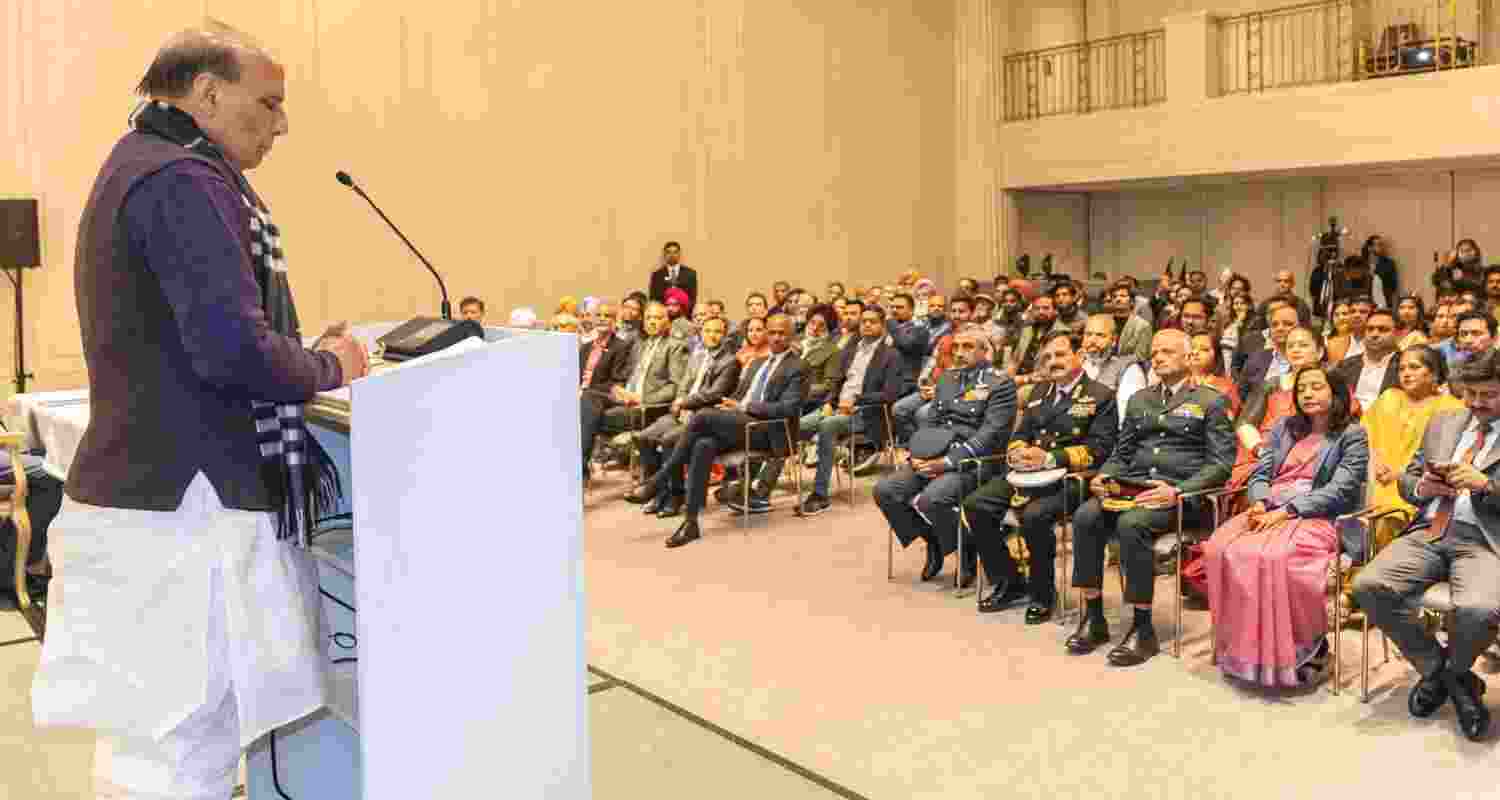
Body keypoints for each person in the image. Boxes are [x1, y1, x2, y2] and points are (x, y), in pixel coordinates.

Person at [30, 24, 373, 800]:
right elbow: (231, 353)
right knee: (188, 736)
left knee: (151, 738)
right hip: (185, 505)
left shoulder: (144, 163)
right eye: (270, 104)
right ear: (210, 93)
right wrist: (331, 364)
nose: (281, 124)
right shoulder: (184, 179)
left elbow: (210, 336)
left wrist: (289, 346)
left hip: (153, 497)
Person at [1353, 349, 1500, 743]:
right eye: (1470, 394)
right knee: (1369, 585)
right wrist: (1421, 486)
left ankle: (1446, 678)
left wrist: (1486, 485)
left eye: (1488, 395)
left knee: (1481, 608)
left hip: (1485, 540)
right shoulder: (1445, 421)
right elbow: (1410, 478)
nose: (1476, 404)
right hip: (1432, 528)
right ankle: (1450, 677)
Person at [1066, 330, 1235, 667]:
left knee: (1132, 524)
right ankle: (1094, 616)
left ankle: (1143, 628)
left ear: (1188, 359)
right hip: (1133, 488)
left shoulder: (1210, 400)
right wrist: (1105, 475)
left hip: (1181, 497)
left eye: (1167, 352)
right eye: (1155, 352)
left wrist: (1178, 491)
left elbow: (1221, 464)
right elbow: (1122, 451)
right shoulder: (1140, 399)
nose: (1157, 358)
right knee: (1086, 516)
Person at [1203, 367, 1368, 687]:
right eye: (1302, 388)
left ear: (1336, 393)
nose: (1307, 394)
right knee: (1220, 548)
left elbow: (1342, 489)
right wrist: (1260, 502)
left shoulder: (1353, 434)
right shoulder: (1283, 428)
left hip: (1321, 515)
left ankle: (1307, 652)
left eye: (1316, 387)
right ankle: (1246, 654)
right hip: (1270, 509)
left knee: (1275, 557)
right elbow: (1261, 473)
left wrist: (1288, 511)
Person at [961, 331, 1116, 621]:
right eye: (1047, 357)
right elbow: (1019, 435)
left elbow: (1101, 449)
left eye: (1060, 355)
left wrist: (1049, 458)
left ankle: (1043, 593)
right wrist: (1018, 453)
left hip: (1071, 478)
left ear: (1078, 357)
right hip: (1026, 475)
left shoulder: (1100, 395)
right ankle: (1010, 580)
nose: (1053, 361)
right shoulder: (1038, 392)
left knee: (1035, 516)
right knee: (976, 504)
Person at [624, 314, 805, 548]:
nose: (777, 337)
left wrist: (743, 407)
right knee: (703, 444)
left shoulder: (799, 367)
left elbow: (788, 408)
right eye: (773, 332)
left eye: (782, 333)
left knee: (703, 415)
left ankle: (657, 481)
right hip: (740, 423)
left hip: (769, 430)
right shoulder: (758, 364)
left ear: (791, 335)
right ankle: (691, 522)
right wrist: (730, 406)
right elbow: (739, 395)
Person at [875, 328, 1017, 586]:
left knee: (934, 499)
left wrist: (947, 462)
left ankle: (965, 551)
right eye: (957, 347)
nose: (960, 353)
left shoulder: (1000, 383)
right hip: (935, 454)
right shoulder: (947, 379)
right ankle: (934, 541)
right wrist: (917, 456)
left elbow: (990, 435)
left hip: (974, 461)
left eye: (968, 347)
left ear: (985, 351)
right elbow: (931, 424)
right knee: (886, 490)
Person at [770, 306, 906, 516]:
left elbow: (890, 394)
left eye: (873, 321)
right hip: (835, 408)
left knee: (827, 425)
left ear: (883, 326)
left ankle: (820, 495)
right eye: (864, 322)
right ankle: (761, 490)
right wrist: (829, 402)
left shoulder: (891, 355)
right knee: (789, 427)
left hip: (866, 414)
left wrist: (856, 401)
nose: (867, 325)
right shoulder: (850, 351)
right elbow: (836, 383)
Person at [1356, 346, 1463, 598]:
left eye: (1414, 367)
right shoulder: (1388, 398)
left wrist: (1400, 476)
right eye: (1402, 368)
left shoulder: (1450, 407)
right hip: (1374, 478)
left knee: (1388, 515)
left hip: (1419, 487)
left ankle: (1364, 591)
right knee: (1365, 509)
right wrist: (1376, 462)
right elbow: (1365, 436)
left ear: (1434, 373)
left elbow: (1442, 456)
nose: (1406, 373)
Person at [634, 316, 742, 517]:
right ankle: (658, 492)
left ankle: (676, 496)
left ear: (725, 335)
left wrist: (684, 402)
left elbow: (715, 394)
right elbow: (684, 383)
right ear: (701, 332)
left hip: (704, 417)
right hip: (682, 411)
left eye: (717, 331)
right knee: (643, 438)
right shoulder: (697, 355)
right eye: (708, 330)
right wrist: (679, 399)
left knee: (669, 441)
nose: (712, 335)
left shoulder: (730, 362)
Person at [579, 302, 688, 474]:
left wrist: (642, 399)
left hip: (648, 408)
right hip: (626, 398)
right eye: (649, 318)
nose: (652, 322)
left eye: (658, 318)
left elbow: (675, 386)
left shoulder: (675, 346)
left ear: (668, 322)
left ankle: (579, 467)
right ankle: (581, 465)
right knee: (588, 397)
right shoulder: (640, 345)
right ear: (643, 322)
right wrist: (618, 389)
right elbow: (627, 376)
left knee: (585, 417)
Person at [1333, 308, 1400, 410]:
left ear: (1396, 334)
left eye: (1383, 330)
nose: (1375, 334)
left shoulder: (1405, 365)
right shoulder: (1345, 365)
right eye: (1370, 329)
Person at [1237, 301, 1301, 401]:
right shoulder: (1255, 359)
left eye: (1287, 324)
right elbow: (1239, 396)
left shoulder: (1307, 360)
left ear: (1300, 328)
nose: (1280, 328)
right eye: (1275, 325)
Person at [1008, 294, 1067, 382]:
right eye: (1037, 308)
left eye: (1046, 308)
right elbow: (1015, 359)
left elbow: (1053, 369)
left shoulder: (1062, 334)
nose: (1041, 312)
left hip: (1043, 382)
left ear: (1055, 311)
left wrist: (1024, 379)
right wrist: (1009, 377)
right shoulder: (1027, 330)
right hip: (1019, 378)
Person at [1324, 297, 1356, 364]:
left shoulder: (1360, 339)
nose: (1340, 318)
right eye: (1336, 315)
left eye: (1345, 314)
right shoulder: (1324, 339)